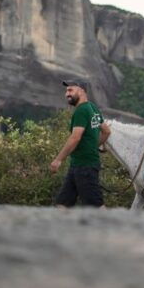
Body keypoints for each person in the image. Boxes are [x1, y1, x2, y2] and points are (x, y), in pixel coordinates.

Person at [50, 79, 112, 208]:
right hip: (78, 165)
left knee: (96, 207)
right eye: (66, 91)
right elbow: (106, 131)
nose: (67, 94)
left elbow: (75, 138)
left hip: (85, 167)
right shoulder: (92, 107)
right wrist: (93, 147)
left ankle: (112, 223)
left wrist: (58, 160)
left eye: (71, 90)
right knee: (62, 205)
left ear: (82, 91)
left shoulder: (81, 111)